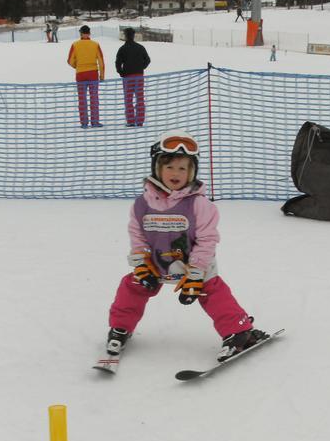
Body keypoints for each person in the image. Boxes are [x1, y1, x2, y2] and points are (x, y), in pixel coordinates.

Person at [102, 130, 268, 364]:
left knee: (212, 290)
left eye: (183, 168)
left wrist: (197, 271)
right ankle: (120, 328)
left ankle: (239, 332)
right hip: (156, 263)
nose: (176, 173)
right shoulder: (142, 204)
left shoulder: (200, 205)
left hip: (193, 266)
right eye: (170, 167)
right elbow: (137, 234)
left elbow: (207, 239)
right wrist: (141, 263)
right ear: (157, 168)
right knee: (131, 287)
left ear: (192, 172)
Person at [67, 25, 105, 128]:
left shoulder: (75, 45)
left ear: (80, 33)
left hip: (80, 74)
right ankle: (95, 121)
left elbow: (70, 61)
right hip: (93, 73)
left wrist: (78, 66)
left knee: (82, 99)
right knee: (94, 98)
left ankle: (84, 123)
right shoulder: (95, 44)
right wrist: (102, 75)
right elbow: (101, 61)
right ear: (89, 33)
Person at [115, 27, 150, 127]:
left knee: (128, 99)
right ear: (134, 35)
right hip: (139, 76)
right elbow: (147, 60)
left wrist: (121, 72)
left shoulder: (122, 49)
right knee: (140, 98)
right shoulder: (140, 47)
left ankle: (130, 121)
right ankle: (139, 121)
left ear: (125, 36)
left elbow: (118, 62)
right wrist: (141, 68)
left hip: (127, 77)